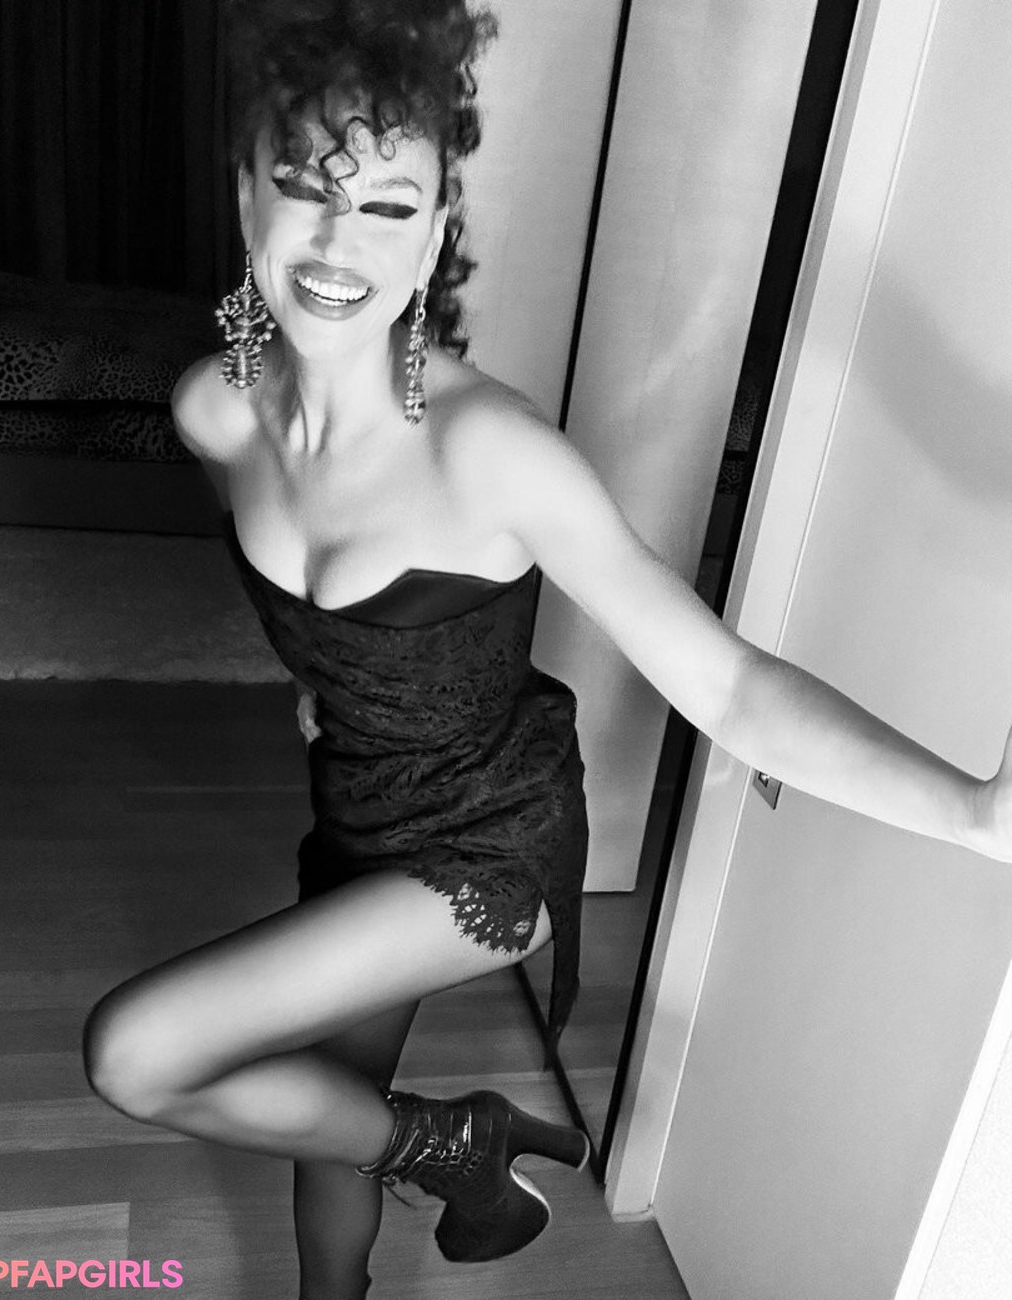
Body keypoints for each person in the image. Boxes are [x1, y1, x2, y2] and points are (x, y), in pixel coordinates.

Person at [81, 2, 1012, 1298]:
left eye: (390, 206)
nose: (341, 241)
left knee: (137, 1054)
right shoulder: (216, 410)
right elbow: (310, 603)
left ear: (436, 237)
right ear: (245, 200)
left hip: (487, 846)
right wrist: (331, 682)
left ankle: (455, 1146)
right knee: (329, 1108)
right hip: (355, 813)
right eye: (302, 187)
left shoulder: (493, 452)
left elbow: (730, 686)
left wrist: (974, 812)